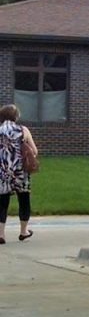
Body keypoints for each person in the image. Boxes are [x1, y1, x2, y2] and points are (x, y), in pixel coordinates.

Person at [0, 104, 36, 244]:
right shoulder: (23, 130)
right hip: (21, 172)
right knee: (24, 200)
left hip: (2, 171)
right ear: (15, 116)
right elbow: (34, 151)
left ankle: (1, 234)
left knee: (2, 202)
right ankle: (23, 231)